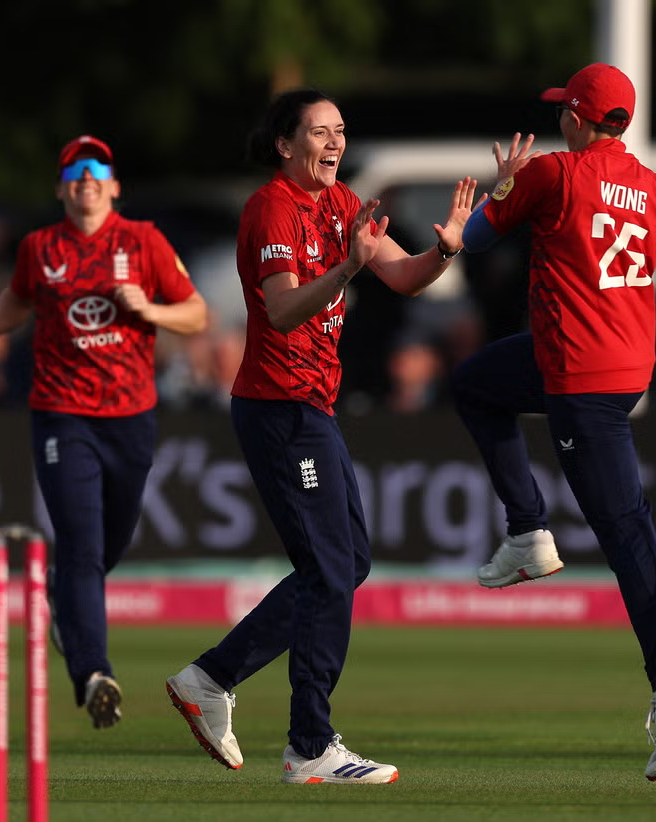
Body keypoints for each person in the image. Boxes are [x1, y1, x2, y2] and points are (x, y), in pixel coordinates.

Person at [166, 88, 477, 784]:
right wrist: (347, 267)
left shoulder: (341, 205)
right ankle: (309, 745)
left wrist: (446, 248)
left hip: (313, 408)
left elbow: (405, 275)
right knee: (332, 568)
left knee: (347, 562)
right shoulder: (271, 208)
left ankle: (210, 678)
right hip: (278, 409)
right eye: (319, 131)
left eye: (340, 130)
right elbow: (280, 310)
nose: (335, 142)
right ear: (285, 144)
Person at [450, 64, 656, 781]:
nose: (557, 122)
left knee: (624, 527)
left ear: (576, 118)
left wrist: (504, 186)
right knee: (476, 386)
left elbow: (473, 240)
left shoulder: (552, 174)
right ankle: (527, 531)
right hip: (622, 367)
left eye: (562, 113)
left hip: (581, 376)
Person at [0, 134, 208, 729]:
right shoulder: (40, 247)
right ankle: (94, 671)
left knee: (107, 544)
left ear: (114, 186)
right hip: (62, 413)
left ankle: (61, 595)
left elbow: (197, 314)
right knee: (83, 544)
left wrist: (148, 310)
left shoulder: (143, 241)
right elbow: (18, 299)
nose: (86, 178)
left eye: (97, 169)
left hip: (131, 415)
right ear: (61, 188)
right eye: (74, 171)